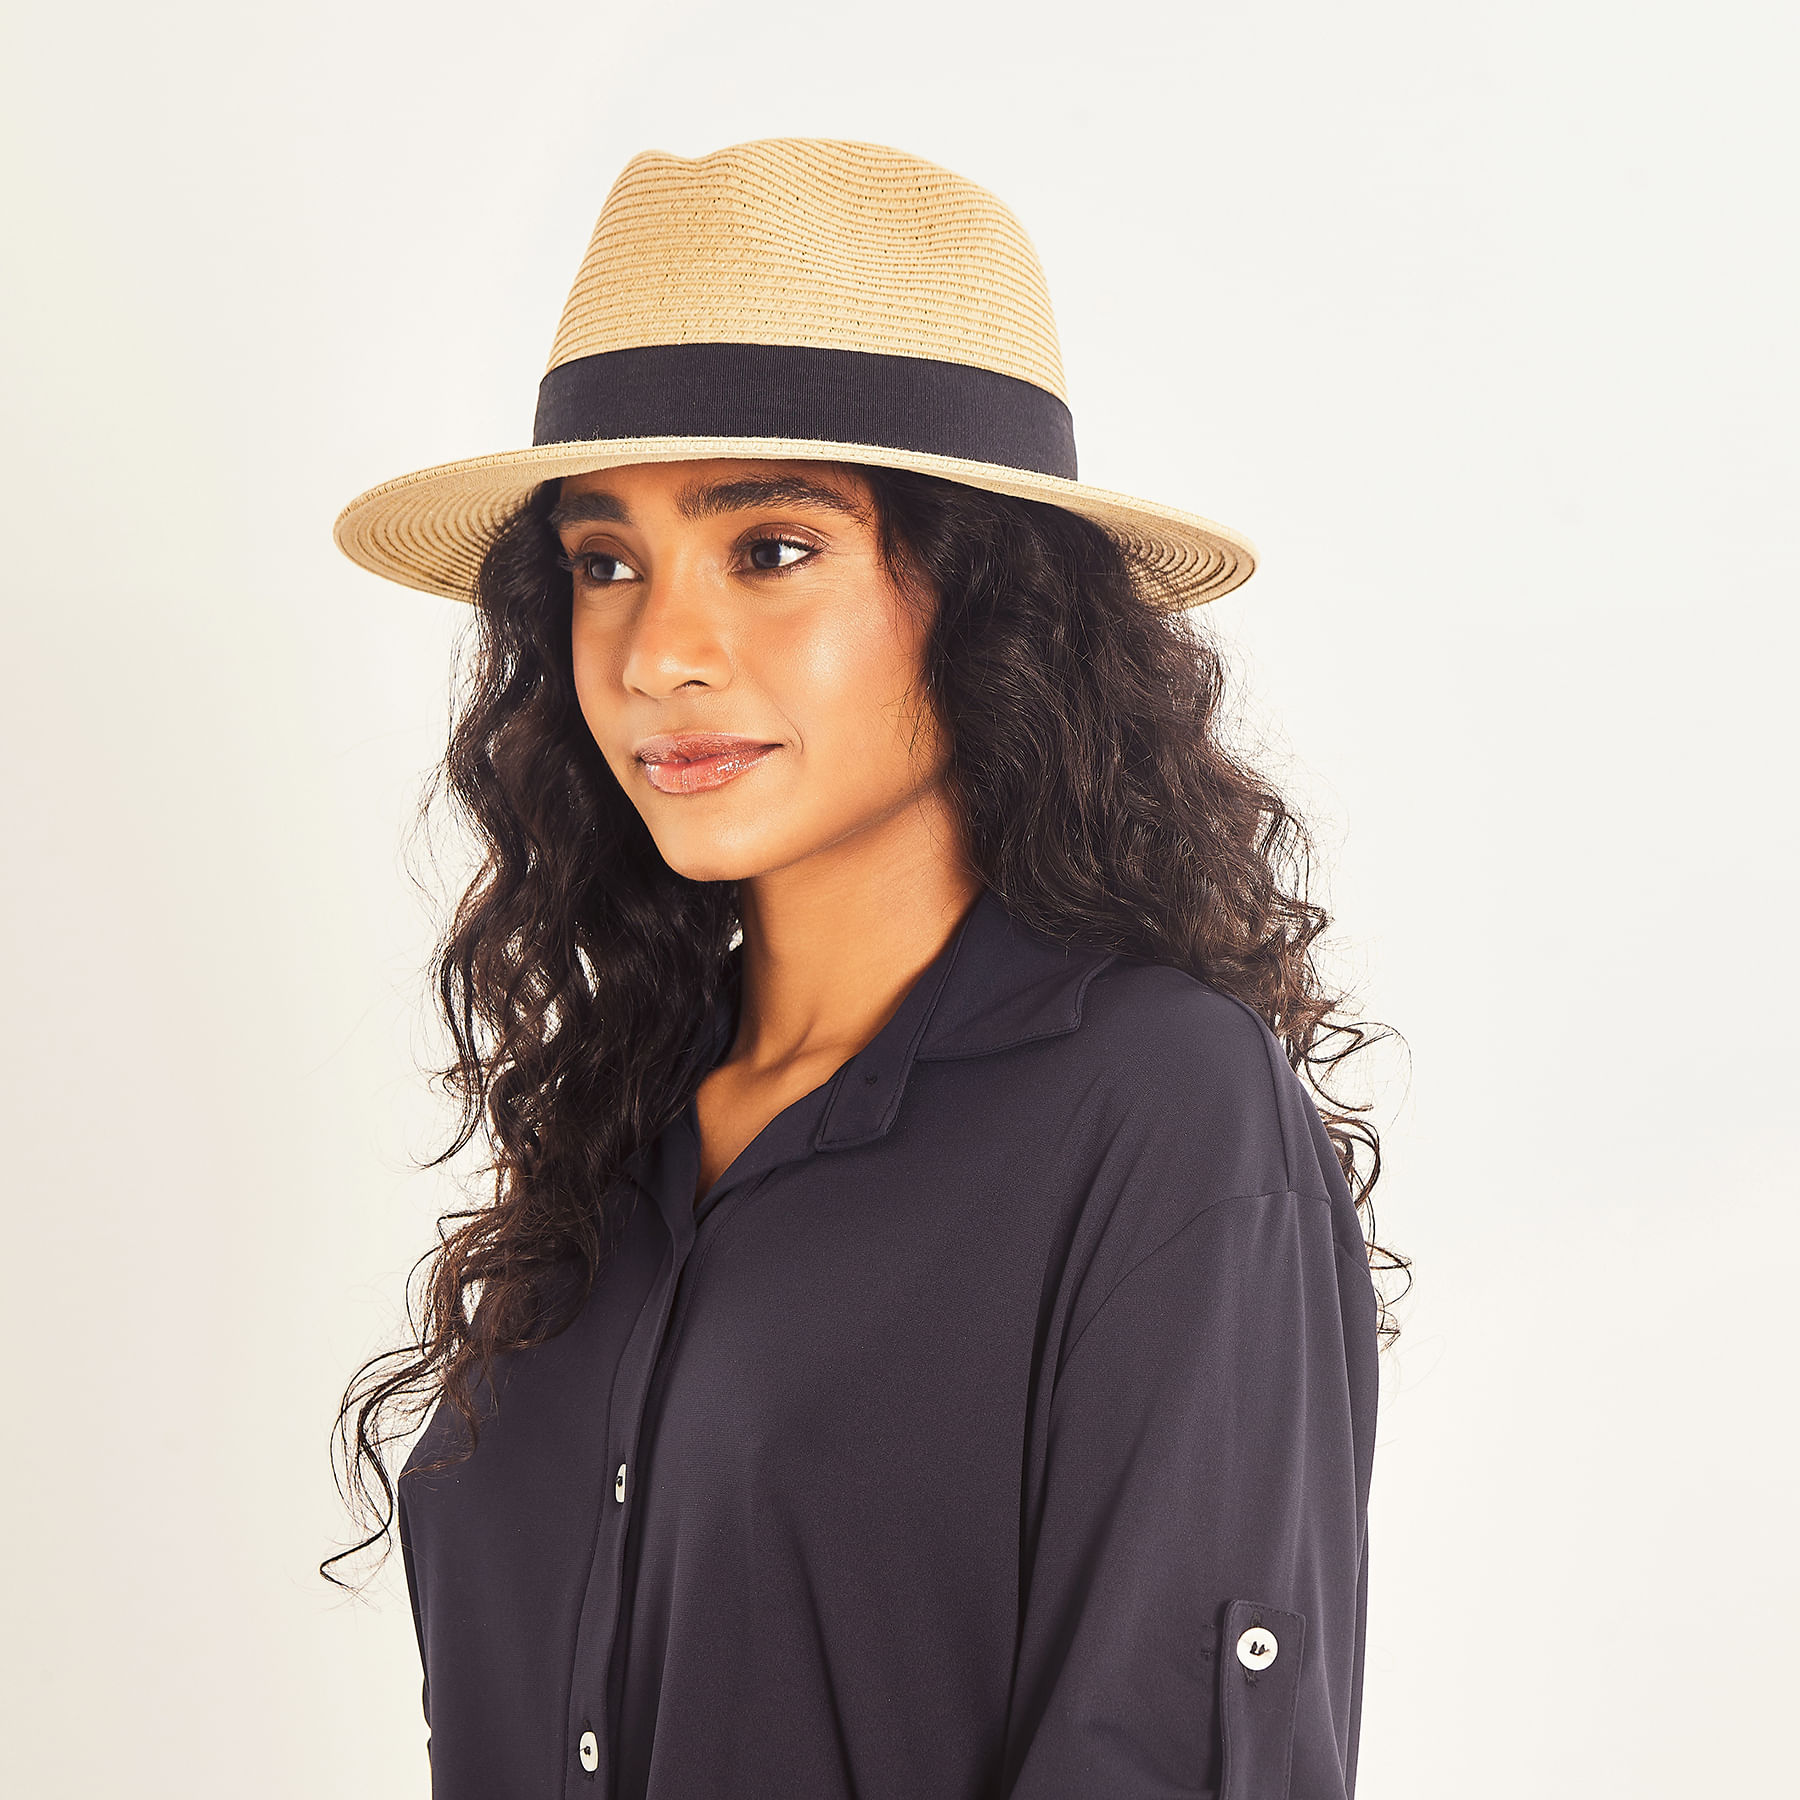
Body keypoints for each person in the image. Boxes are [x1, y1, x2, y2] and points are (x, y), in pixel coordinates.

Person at [327, 136, 1406, 1800]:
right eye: (606, 563)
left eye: (770, 548)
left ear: (986, 598)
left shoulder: (1157, 1110)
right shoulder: (623, 1128)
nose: (659, 652)